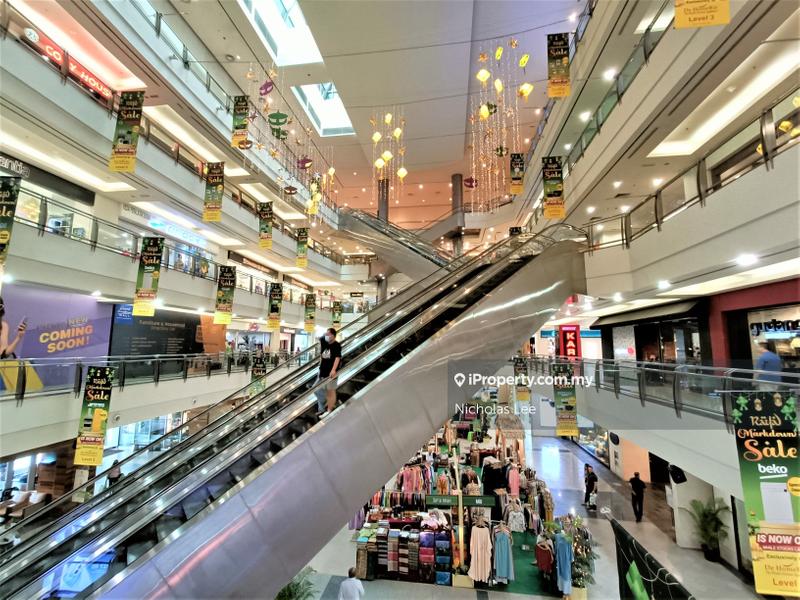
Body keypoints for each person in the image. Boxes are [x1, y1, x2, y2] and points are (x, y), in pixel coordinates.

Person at [316, 327, 341, 415]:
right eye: (326, 334)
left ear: (333, 336)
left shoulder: (337, 345)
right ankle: (325, 406)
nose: (326, 336)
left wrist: (333, 370)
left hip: (331, 372)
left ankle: (329, 410)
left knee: (331, 391)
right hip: (322, 371)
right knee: (318, 390)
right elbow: (321, 337)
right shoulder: (324, 342)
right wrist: (326, 334)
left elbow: (337, 358)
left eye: (328, 334)